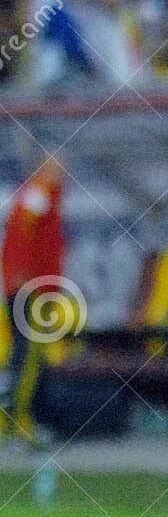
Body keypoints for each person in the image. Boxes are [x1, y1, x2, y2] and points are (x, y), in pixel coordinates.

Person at [1, 153, 66, 445]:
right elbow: (21, 235)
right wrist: (21, 275)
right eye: (56, 164)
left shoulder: (43, 195)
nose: (62, 171)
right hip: (29, 289)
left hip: (34, 288)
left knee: (26, 356)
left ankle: (16, 420)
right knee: (27, 358)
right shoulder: (38, 193)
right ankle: (20, 421)